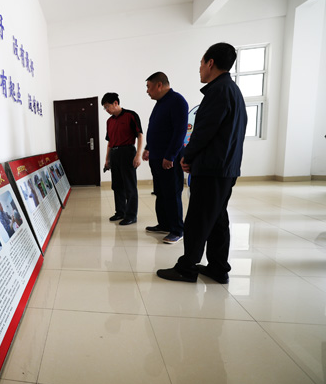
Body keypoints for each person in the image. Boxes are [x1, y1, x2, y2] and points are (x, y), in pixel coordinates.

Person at [157, 42, 247, 283]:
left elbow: (204, 131)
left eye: (201, 63)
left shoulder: (218, 91)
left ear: (210, 63)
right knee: (217, 218)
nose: (199, 68)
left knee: (197, 219)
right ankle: (218, 267)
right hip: (224, 168)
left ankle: (186, 268)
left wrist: (187, 156)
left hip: (212, 169)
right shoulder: (232, 90)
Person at [142, 72, 189, 244]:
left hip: (169, 159)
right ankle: (164, 224)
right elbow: (157, 129)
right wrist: (148, 148)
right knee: (160, 193)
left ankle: (177, 230)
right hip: (156, 157)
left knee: (172, 193)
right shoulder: (160, 103)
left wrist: (170, 156)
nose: (147, 91)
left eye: (149, 87)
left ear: (159, 85)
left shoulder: (177, 101)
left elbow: (179, 132)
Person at [102, 92, 144, 225]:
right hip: (114, 154)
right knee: (117, 185)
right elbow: (110, 142)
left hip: (127, 152)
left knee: (129, 185)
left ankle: (131, 215)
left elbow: (140, 135)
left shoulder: (131, 115)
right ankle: (120, 212)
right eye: (104, 108)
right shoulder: (109, 121)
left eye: (107, 106)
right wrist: (107, 159)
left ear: (115, 103)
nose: (106, 110)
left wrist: (138, 155)